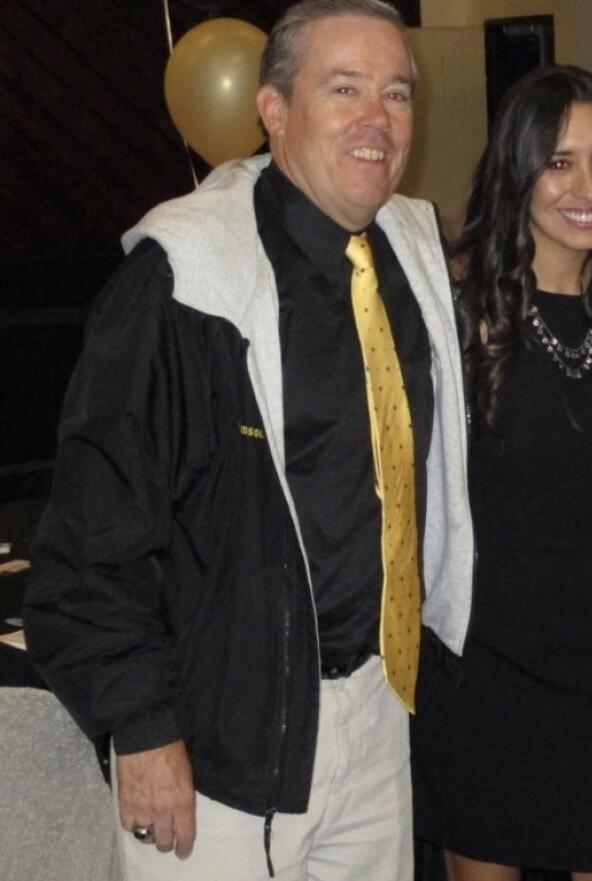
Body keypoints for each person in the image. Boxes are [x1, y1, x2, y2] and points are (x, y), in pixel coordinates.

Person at [22, 1, 473, 878]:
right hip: (218, 736)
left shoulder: (413, 259)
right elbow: (88, 539)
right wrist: (142, 725)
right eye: (343, 89)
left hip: (379, 710)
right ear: (273, 110)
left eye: (396, 93)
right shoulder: (183, 283)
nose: (377, 120)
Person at [409, 64, 592, 881]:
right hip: (482, 681)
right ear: (515, 173)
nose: (586, 185)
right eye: (557, 162)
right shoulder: (452, 315)